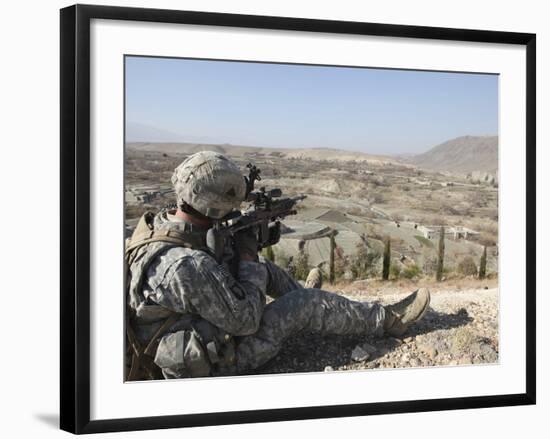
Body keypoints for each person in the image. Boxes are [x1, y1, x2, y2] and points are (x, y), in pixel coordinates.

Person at [125, 151, 430, 380]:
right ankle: (389, 320)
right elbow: (245, 321)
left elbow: (207, 272)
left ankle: (319, 308)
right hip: (211, 363)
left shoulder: (161, 226)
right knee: (299, 301)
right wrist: (246, 257)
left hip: (192, 328)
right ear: (214, 205)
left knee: (268, 273)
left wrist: (238, 250)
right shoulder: (186, 266)